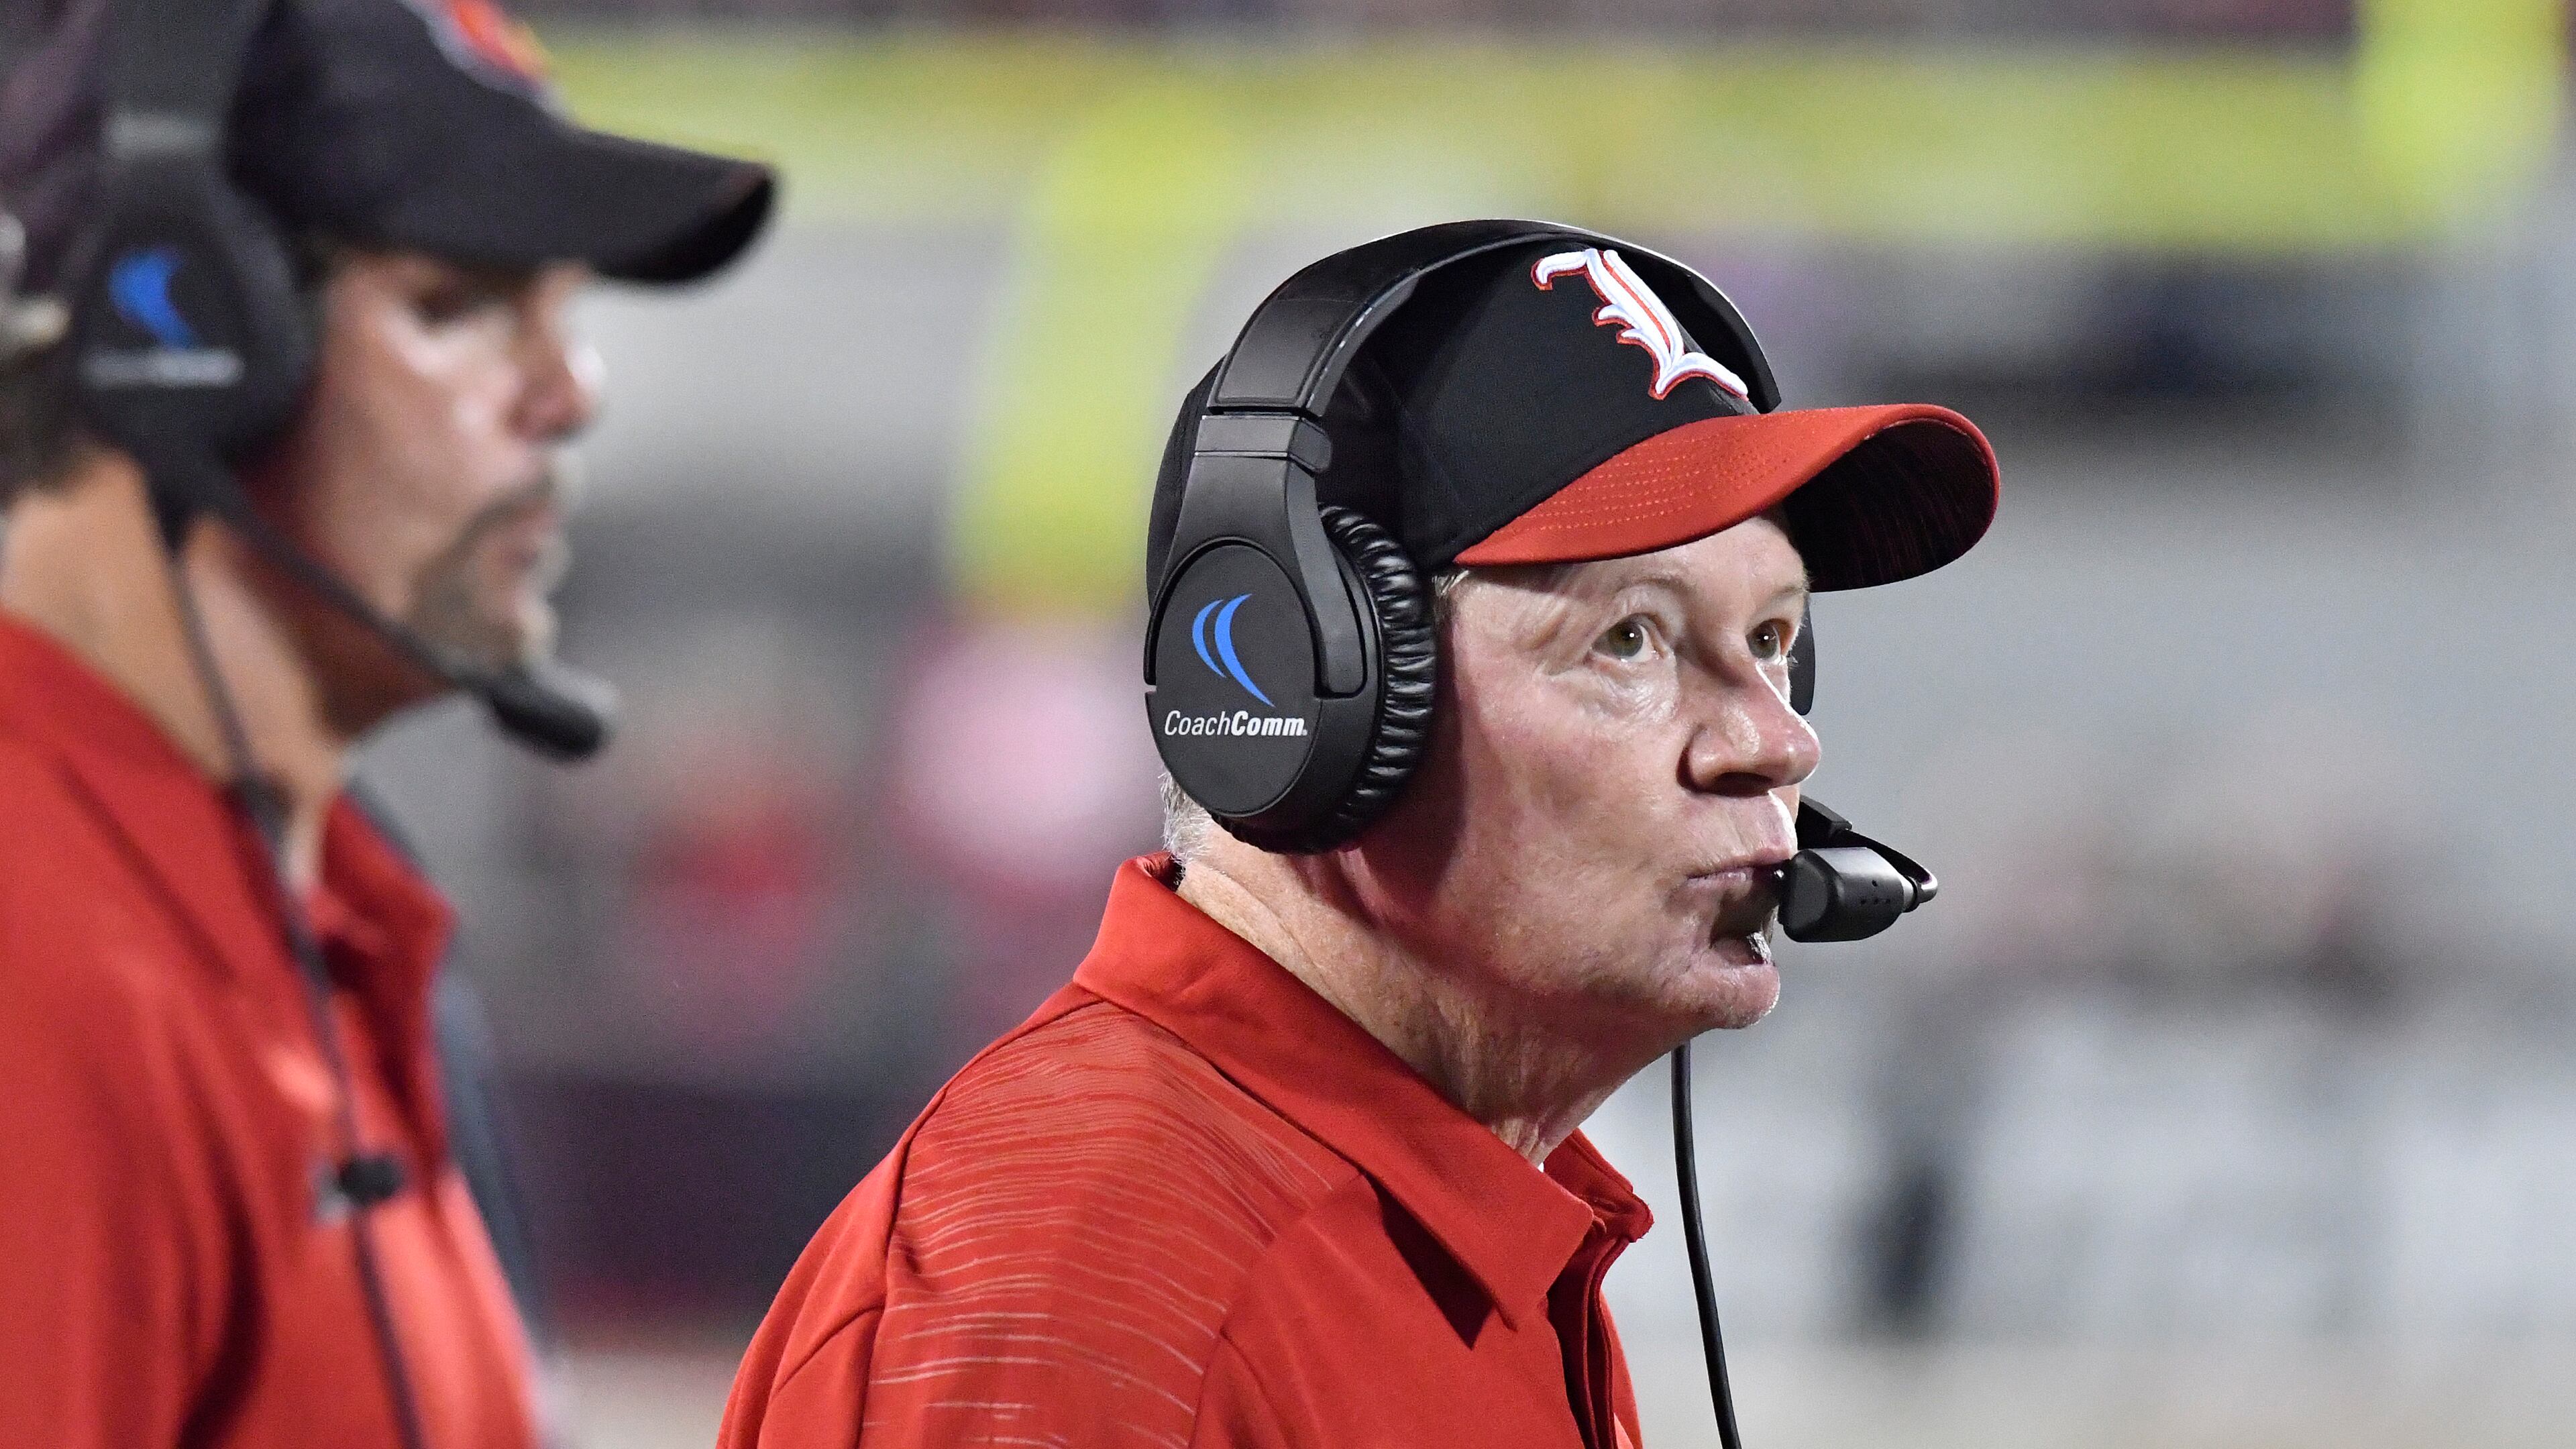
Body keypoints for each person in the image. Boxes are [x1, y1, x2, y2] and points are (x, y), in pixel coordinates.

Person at [720, 224, 1998, 1448]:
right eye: (1630, 638)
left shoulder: (1450, 1221)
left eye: (1773, 642)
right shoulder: (1089, 1285)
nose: (1774, 742)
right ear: (1307, 693)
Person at [0, 0, 773, 1445]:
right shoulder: (37, 963)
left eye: (566, 312)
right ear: (180, 334)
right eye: (457, 305)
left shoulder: (331, 912)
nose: (571, 392)